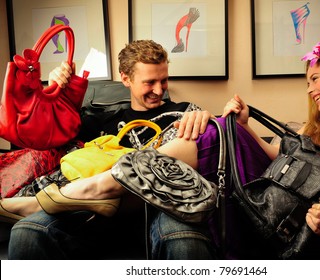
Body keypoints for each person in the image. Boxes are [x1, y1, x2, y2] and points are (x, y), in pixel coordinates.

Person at [5, 41, 320, 259]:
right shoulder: (317, 125)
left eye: (314, 80)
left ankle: (96, 190)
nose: (309, 89)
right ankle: (89, 193)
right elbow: (282, 160)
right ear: (125, 80)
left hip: (284, 206)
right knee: (219, 129)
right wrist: (243, 129)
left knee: (210, 128)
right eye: (149, 82)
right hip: (269, 187)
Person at [2, 39, 217, 259]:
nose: (159, 89)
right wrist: (54, 91)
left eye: (164, 80)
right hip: (95, 215)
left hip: (162, 211)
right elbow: (44, 139)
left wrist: (209, 121)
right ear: (125, 78)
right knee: (27, 231)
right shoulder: (101, 122)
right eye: (150, 82)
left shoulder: (185, 114)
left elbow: (211, 150)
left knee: (182, 239)